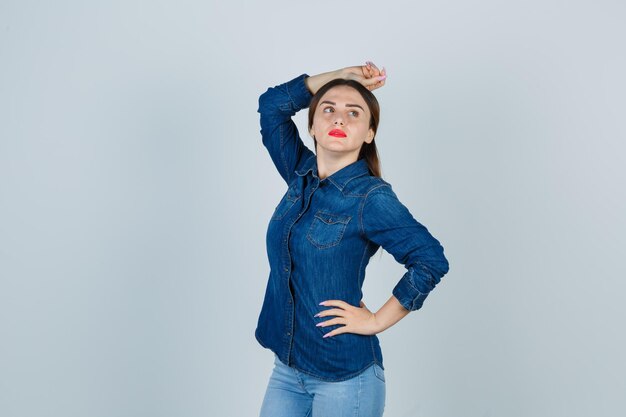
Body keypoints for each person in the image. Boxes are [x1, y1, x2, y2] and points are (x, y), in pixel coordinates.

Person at [255, 62, 450, 417]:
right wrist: (344, 77)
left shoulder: (370, 198)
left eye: (353, 113)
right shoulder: (301, 174)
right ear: (312, 126)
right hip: (287, 370)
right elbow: (271, 106)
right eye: (328, 110)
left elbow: (430, 259)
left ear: (370, 133)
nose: (339, 119)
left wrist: (375, 321)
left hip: (345, 379)